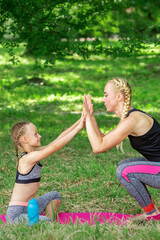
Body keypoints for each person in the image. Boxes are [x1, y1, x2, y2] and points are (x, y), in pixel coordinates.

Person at [83, 77, 160, 220]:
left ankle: (153, 214)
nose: (102, 99)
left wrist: (87, 117)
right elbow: (103, 141)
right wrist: (91, 117)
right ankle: (153, 210)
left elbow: (97, 147)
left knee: (124, 171)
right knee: (123, 165)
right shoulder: (130, 118)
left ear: (119, 96)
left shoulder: (132, 120)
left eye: (106, 95)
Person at [7, 114, 85, 224]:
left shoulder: (33, 153)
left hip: (30, 208)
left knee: (55, 195)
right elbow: (55, 147)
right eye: (35, 134)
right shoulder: (27, 159)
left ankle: (49, 220)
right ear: (25, 139)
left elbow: (57, 140)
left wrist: (80, 121)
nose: (40, 136)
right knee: (45, 222)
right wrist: (78, 127)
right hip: (16, 214)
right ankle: (47, 222)